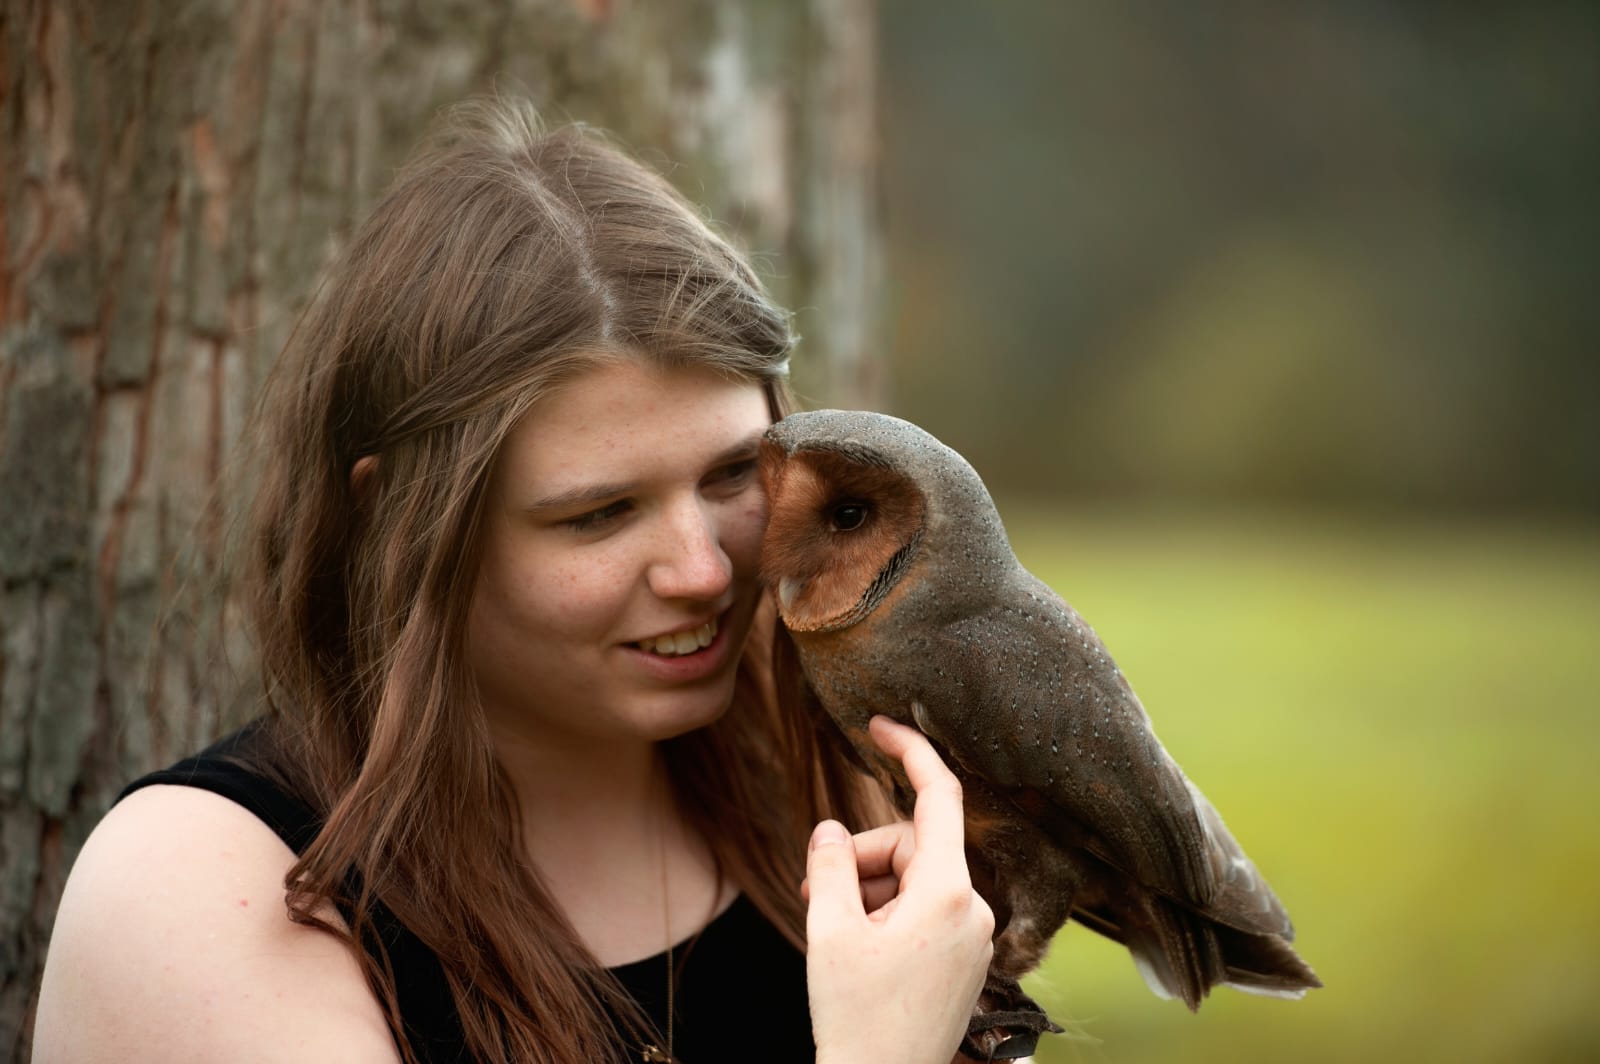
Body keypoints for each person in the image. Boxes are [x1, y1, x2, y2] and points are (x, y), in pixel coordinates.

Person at [32, 99, 995, 1063]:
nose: (704, 571)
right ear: (395, 526)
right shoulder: (205, 890)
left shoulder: (831, 797)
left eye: (732, 475)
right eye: (598, 514)